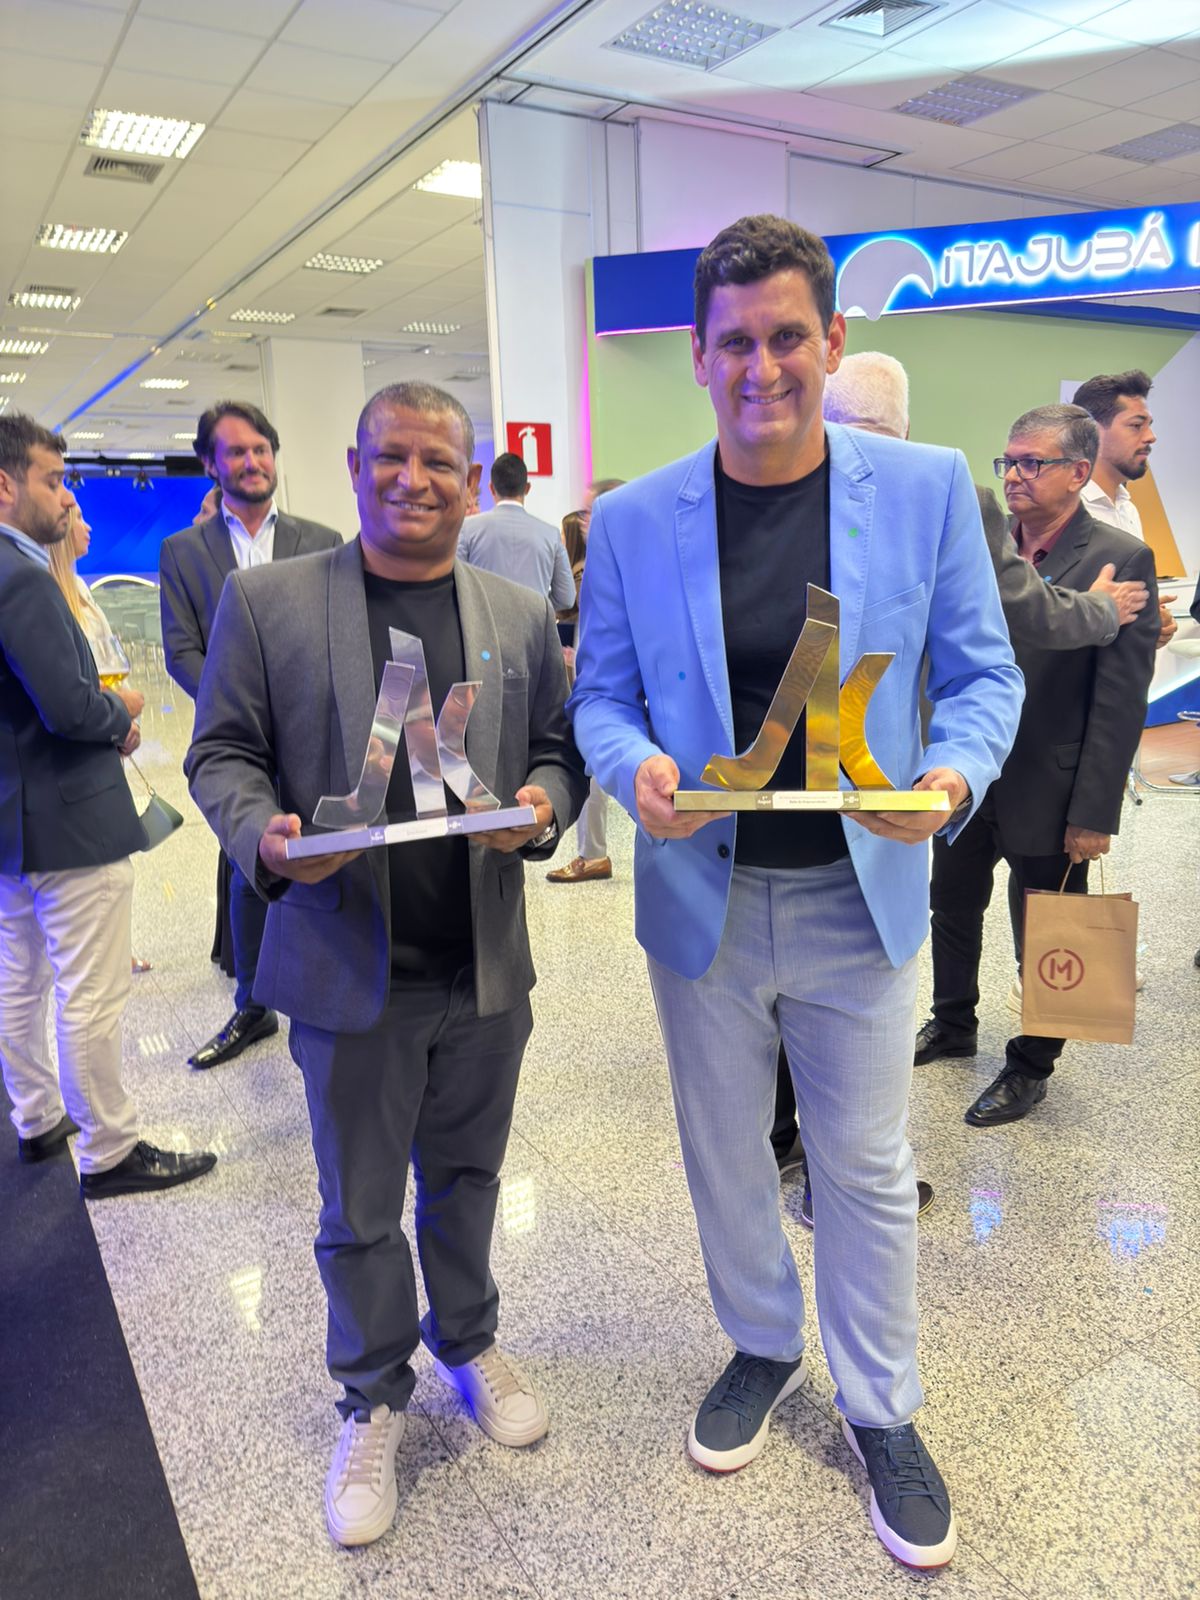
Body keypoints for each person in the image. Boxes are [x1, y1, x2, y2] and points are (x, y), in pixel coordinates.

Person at [569, 215, 1024, 1570]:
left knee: (865, 1166)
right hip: (701, 899)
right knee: (723, 1149)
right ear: (697, 355)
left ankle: (882, 1406)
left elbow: (982, 676)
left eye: (786, 338)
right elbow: (601, 698)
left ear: (829, 341)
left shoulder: (929, 489)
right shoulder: (635, 519)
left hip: (855, 895)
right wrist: (635, 767)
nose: (761, 367)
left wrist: (946, 779)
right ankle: (763, 1342)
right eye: (735, 343)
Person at [185, 382, 586, 1549]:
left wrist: (542, 807)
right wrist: (264, 837)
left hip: (482, 967)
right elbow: (221, 752)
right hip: (347, 967)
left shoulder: (516, 612)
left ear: (470, 477)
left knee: (468, 1178)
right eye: (392, 458)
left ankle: (467, 1339)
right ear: (355, 466)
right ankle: (370, 1393)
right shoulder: (268, 603)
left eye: (440, 462)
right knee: (359, 1208)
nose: (416, 480)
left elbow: (557, 750)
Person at [916, 405, 1158, 1127]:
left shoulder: (1120, 557)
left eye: (1033, 462)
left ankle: (1030, 1066)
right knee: (951, 904)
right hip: (965, 773)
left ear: (1079, 473)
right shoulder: (982, 544)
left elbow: (1120, 699)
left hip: (1051, 785)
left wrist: (1094, 812)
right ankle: (952, 1023)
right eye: (1009, 462)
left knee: (1050, 930)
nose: (1014, 476)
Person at [0, 414, 216, 1197]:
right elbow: (67, 705)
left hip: (15, 821)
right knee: (91, 991)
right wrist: (118, 715)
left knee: (20, 979)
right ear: (5, 485)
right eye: (53, 480)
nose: (66, 497)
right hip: (68, 818)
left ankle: (36, 1118)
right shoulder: (23, 577)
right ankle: (110, 1150)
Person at [159, 401, 342, 1071]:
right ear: (211, 464)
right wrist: (238, 705)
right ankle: (253, 1004)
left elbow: (341, 632)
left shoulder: (323, 539)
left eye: (261, 448)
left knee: (328, 857)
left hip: (314, 735)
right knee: (249, 868)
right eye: (236, 451)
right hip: (239, 742)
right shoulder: (183, 553)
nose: (253, 461)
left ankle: (329, 985)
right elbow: (181, 649)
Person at [48, 501, 157, 975]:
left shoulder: (81, 591)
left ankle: (117, 945)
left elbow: (109, 671)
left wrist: (121, 723)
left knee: (114, 865)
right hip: (79, 759)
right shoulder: (51, 600)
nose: (88, 526)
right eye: (78, 517)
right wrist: (116, 714)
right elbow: (74, 695)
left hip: (104, 740)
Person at [546, 478, 625, 885]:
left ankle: (594, 854)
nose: (582, 520)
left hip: (615, 690)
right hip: (596, 684)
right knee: (592, 770)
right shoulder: (600, 562)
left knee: (603, 771)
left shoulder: (622, 563)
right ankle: (592, 855)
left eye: (589, 511)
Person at [1072, 369, 1176, 649]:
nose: (1151, 437)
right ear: (1092, 431)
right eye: (1136, 425)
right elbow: (1056, 619)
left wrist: (1151, 620)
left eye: (1149, 425)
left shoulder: (1127, 509)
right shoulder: (1065, 513)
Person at [457, 451, 575, 610]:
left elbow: (457, 588)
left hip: (485, 624)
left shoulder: (467, 530)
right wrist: (538, 608)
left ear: (491, 488)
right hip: (535, 624)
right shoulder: (551, 535)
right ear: (527, 488)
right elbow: (566, 598)